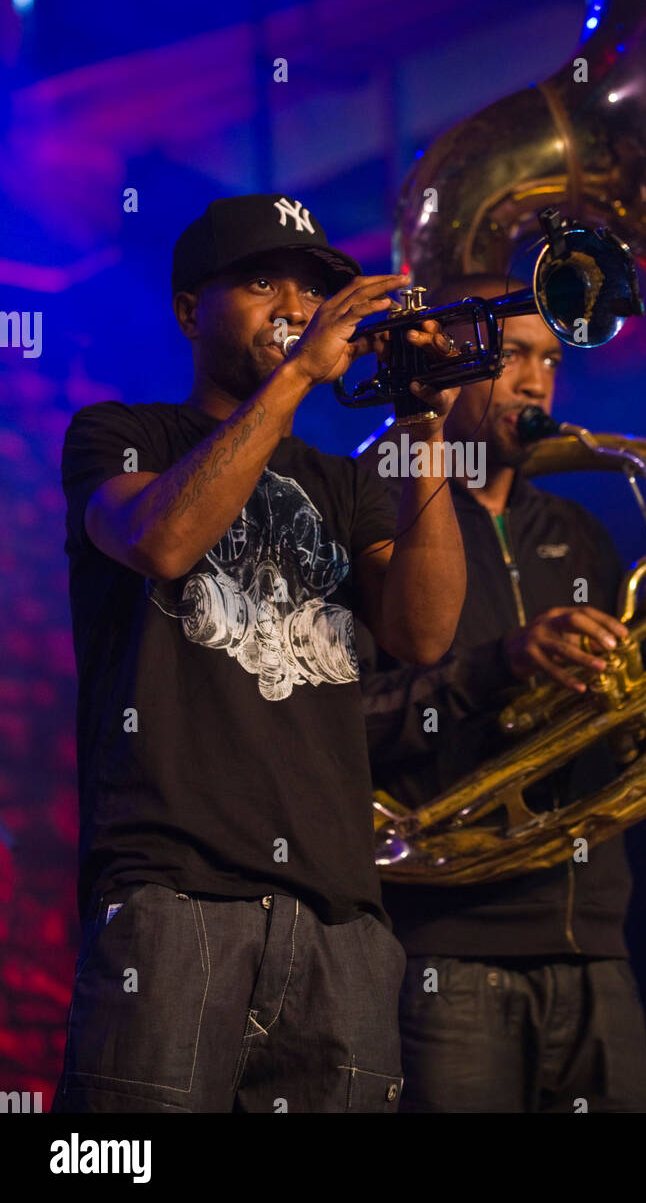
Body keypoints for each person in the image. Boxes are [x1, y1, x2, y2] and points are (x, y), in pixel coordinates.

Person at [51, 193, 466, 1114]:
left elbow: (424, 632)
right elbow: (163, 542)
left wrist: (423, 430)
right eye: (261, 281)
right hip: (172, 896)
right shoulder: (120, 434)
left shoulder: (345, 481)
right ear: (191, 309)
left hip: (340, 915)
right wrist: (299, 378)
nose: (294, 304)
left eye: (313, 289)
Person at [357, 274, 646, 1114]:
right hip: (440, 948)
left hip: (593, 947)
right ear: (450, 366)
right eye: (513, 355)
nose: (536, 381)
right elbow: (332, 728)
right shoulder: (372, 509)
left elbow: (630, 734)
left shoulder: (576, 530)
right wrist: (500, 664)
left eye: (550, 359)